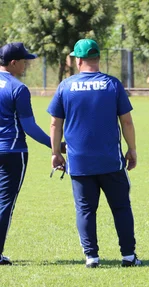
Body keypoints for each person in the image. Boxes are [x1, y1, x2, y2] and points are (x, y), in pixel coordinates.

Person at [47, 39, 141, 268]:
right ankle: (128, 256)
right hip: (110, 160)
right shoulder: (112, 84)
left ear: (78, 60)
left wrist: (55, 153)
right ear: (98, 58)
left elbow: (54, 124)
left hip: (79, 162)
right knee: (121, 207)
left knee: (86, 210)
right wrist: (132, 149)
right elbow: (126, 121)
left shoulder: (65, 86)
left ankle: (92, 257)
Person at [0, 42, 54, 265]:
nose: (26, 66)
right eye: (24, 61)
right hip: (12, 152)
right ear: (13, 63)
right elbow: (29, 127)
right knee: (4, 203)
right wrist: (56, 145)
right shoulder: (18, 88)